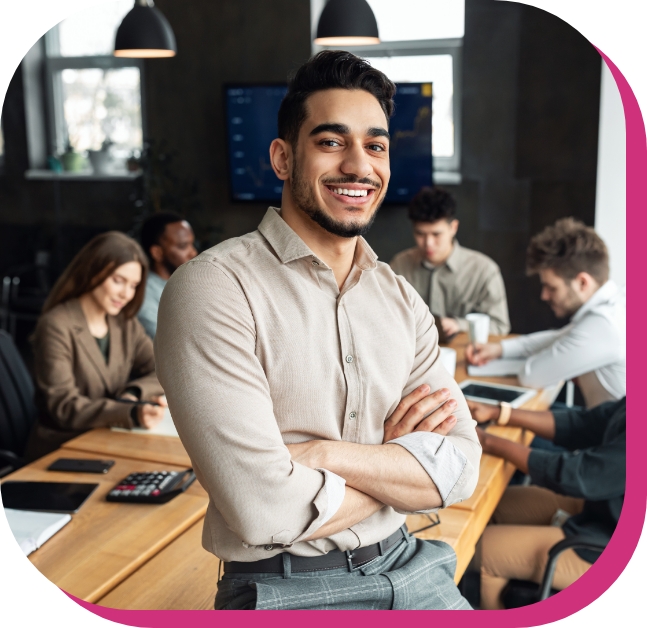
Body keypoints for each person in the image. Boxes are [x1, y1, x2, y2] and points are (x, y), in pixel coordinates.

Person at [155, 51, 480, 611]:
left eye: (375, 146)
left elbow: (459, 470)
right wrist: (393, 461)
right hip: (287, 589)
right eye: (332, 142)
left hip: (411, 564)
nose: (359, 166)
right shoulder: (213, 289)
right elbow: (264, 509)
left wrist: (320, 454)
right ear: (283, 158)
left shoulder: (400, 298)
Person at [467, 397, 625, 609]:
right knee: (490, 506)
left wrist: (486, 441)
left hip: (610, 544)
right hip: (602, 506)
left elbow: (575, 475)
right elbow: (583, 424)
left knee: (478, 548)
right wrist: (497, 412)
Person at [25, 232, 167, 460]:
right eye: (118, 281)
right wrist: (129, 412)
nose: (126, 294)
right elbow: (64, 406)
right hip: (62, 449)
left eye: (133, 285)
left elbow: (163, 368)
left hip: (111, 439)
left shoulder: (125, 323)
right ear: (92, 271)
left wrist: (132, 394)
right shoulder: (56, 324)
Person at [466, 218, 625, 409]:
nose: (544, 295)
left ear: (583, 282)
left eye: (552, 288)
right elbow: (560, 337)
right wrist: (499, 349)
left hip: (613, 435)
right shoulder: (614, 305)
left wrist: (536, 361)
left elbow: (531, 376)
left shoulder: (604, 325)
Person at [390, 187, 510, 338]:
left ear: (453, 227)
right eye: (420, 234)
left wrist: (459, 325)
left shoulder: (484, 270)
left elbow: (499, 326)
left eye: (436, 234)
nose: (428, 243)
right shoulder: (400, 265)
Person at [138, 212, 197, 338]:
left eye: (192, 244)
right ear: (157, 253)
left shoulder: (191, 283)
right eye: (183, 246)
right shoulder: (144, 293)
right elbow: (166, 341)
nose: (193, 252)